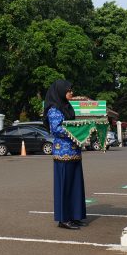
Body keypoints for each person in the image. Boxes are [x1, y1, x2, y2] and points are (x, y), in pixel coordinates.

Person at [44, 79, 86, 230]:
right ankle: (63, 219)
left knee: (75, 185)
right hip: (63, 152)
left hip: (74, 151)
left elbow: (72, 124)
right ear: (61, 91)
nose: (71, 93)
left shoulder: (67, 107)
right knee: (65, 186)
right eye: (69, 90)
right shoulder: (54, 109)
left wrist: (83, 130)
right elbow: (57, 129)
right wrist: (79, 131)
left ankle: (75, 216)